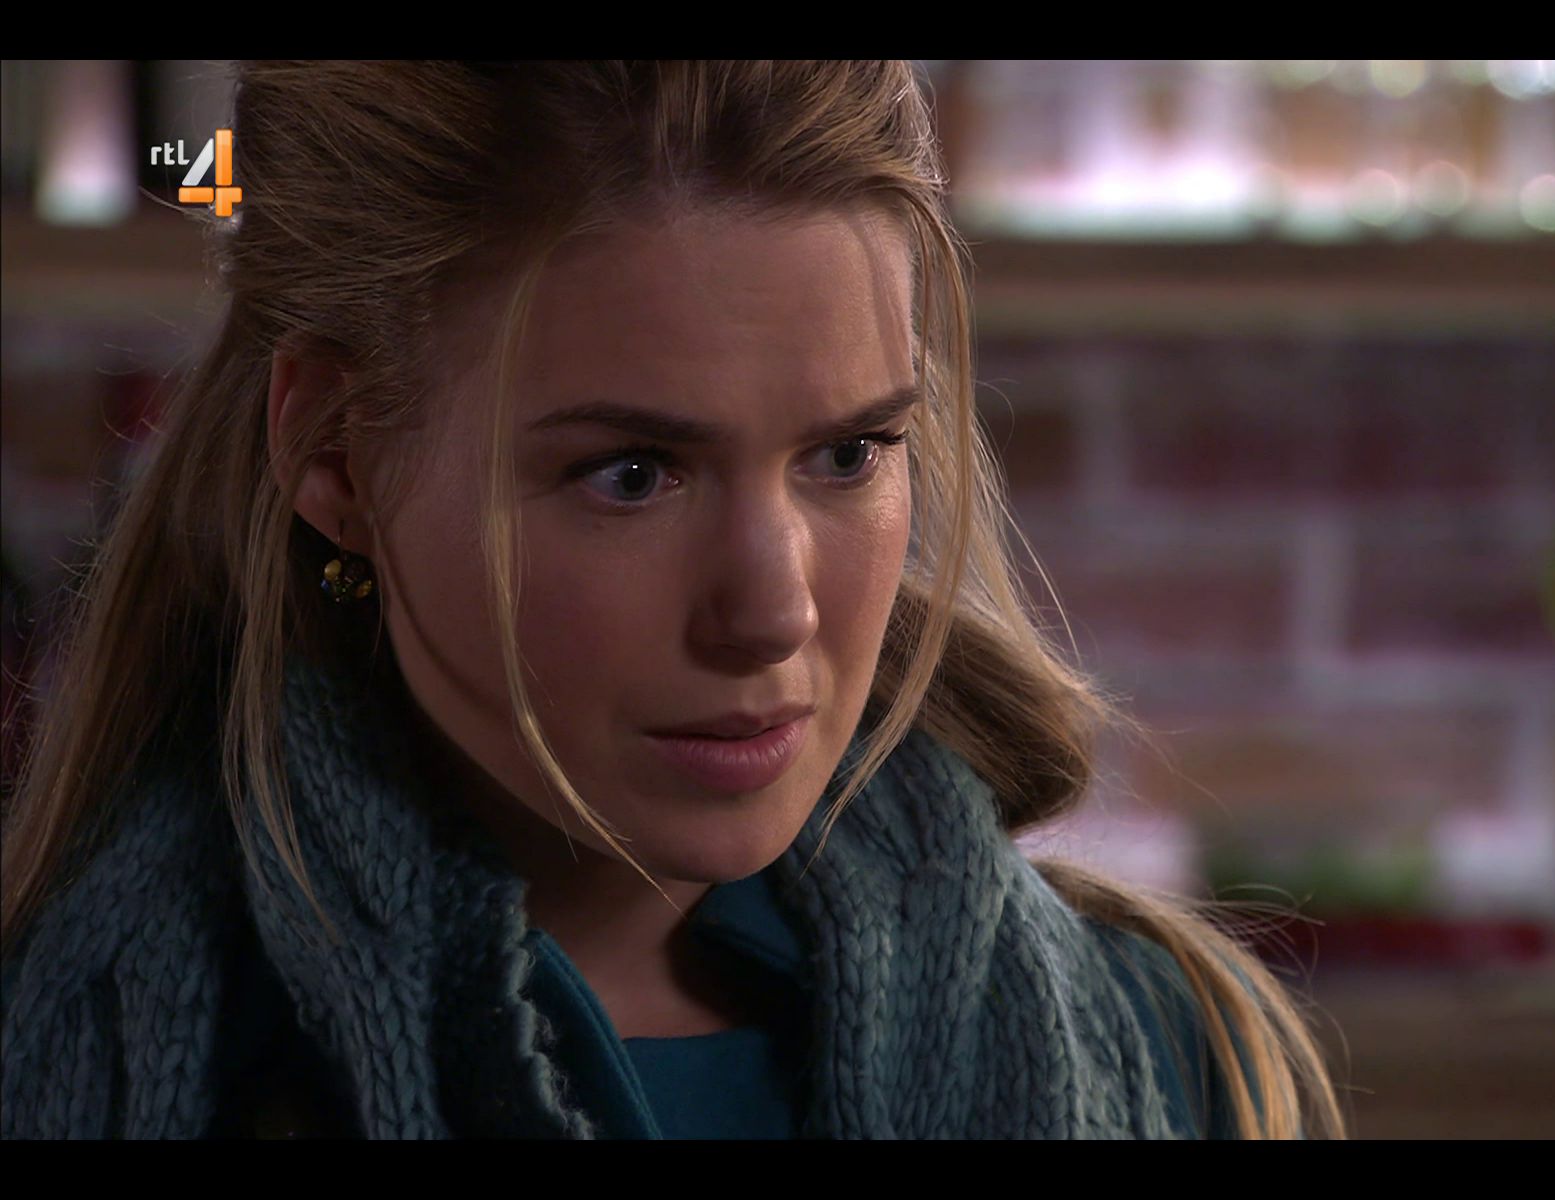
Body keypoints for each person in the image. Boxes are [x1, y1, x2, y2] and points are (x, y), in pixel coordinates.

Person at [0, 61, 1347, 1140]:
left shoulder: (1172, 1047)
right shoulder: (74, 1062)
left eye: (848, 454)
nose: (771, 612)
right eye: (632, 475)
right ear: (338, 455)